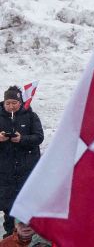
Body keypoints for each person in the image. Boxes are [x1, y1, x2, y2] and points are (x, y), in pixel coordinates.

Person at [0, 85, 43, 231]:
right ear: (4, 103)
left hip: (27, 171)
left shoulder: (31, 116)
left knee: (29, 207)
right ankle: (10, 237)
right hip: (5, 173)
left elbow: (39, 137)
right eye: (8, 103)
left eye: (14, 103)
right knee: (9, 208)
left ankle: (30, 237)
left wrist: (22, 139)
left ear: (20, 102)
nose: (11, 106)